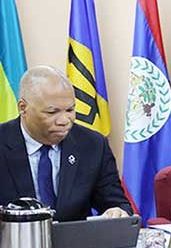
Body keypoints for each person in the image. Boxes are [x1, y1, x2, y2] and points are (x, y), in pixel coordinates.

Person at [0, 65, 131, 221]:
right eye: (52, 112)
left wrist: (116, 212)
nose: (64, 121)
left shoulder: (93, 145)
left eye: (70, 110)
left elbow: (116, 203)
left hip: (75, 244)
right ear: (23, 108)